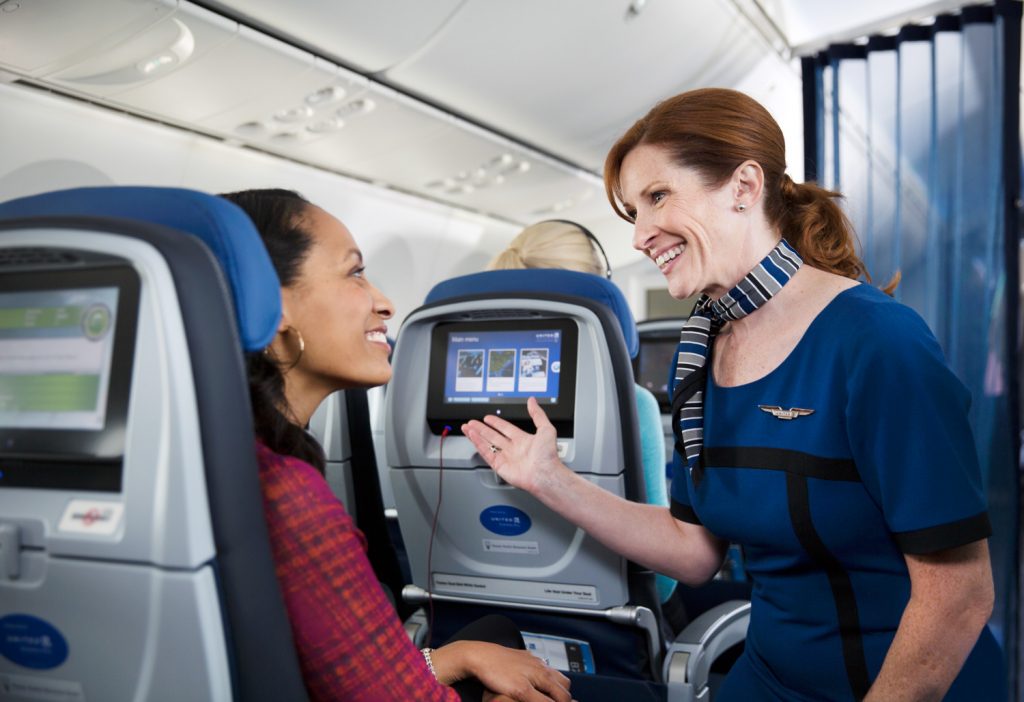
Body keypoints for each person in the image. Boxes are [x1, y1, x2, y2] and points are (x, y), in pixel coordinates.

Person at [461, 89, 1002, 701]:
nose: (640, 236)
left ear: (744, 187)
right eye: (634, 212)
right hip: (768, 679)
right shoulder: (701, 357)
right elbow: (694, 551)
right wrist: (548, 478)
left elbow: (958, 595)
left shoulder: (877, 342)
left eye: (657, 197)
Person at [219, 188, 573, 702]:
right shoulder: (286, 495)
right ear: (269, 306)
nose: (384, 302)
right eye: (354, 272)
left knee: (487, 636)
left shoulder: (224, 454)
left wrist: (454, 656)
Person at [486, 219, 677, 605]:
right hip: (614, 622)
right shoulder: (631, 403)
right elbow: (662, 579)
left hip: (478, 617)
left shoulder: (452, 405)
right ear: (604, 293)